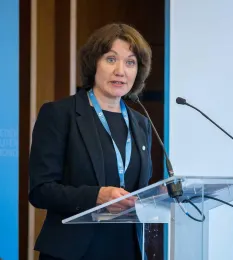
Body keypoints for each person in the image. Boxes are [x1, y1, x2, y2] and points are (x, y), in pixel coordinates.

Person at [28, 23, 153, 260]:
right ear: (93, 63)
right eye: (111, 59)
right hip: (73, 251)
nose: (120, 71)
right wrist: (96, 196)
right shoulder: (59, 114)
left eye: (130, 62)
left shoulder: (141, 124)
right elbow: (40, 191)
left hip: (127, 249)